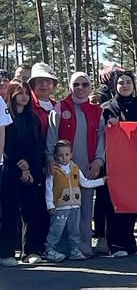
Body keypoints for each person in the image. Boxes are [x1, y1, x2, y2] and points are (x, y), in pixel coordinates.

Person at [45, 72, 105, 258]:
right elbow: (52, 136)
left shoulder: (97, 111)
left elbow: (101, 138)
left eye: (84, 84)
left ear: (90, 86)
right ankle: (61, 247)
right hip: (62, 167)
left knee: (85, 207)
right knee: (62, 208)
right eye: (76, 84)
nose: (80, 88)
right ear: (70, 86)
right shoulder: (60, 107)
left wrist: (98, 160)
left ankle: (83, 245)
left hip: (87, 166)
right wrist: (50, 159)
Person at [99, 70, 137, 257]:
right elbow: (101, 135)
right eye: (121, 82)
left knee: (131, 203)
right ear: (115, 86)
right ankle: (115, 244)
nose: (125, 85)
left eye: (129, 82)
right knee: (113, 204)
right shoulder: (107, 108)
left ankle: (130, 242)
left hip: (135, 164)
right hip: (114, 163)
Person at [1, 79, 47, 265]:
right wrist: (19, 164)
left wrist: (28, 164)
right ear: (12, 95)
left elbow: (38, 145)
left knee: (32, 211)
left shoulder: (33, 119)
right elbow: (4, 145)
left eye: (27, 93)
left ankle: (31, 250)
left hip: (31, 170)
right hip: (10, 169)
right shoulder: (6, 117)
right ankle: (7, 253)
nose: (24, 97)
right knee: (9, 212)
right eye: (20, 93)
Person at [43, 139, 106, 262]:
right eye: (60, 155)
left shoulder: (75, 168)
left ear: (71, 155)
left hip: (75, 206)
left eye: (66, 155)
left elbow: (84, 183)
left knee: (74, 230)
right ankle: (50, 250)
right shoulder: (53, 171)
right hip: (60, 207)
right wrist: (49, 204)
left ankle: (74, 250)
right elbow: (48, 188)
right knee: (56, 230)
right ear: (55, 156)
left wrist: (101, 181)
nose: (64, 158)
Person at [28, 62, 58, 137]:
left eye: (48, 81)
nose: (44, 84)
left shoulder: (58, 106)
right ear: (33, 84)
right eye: (40, 81)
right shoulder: (28, 106)